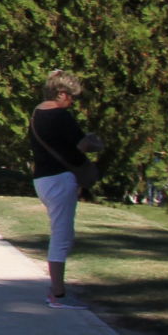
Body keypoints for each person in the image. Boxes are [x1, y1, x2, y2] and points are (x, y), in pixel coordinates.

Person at [30, 70, 104, 309]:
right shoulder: (61, 117)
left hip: (43, 179)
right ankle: (58, 294)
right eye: (71, 97)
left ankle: (57, 289)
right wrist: (93, 143)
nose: (72, 102)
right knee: (62, 236)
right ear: (61, 94)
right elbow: (80, 146)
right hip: (60, 179)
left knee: (61, 232)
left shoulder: (37, 114)